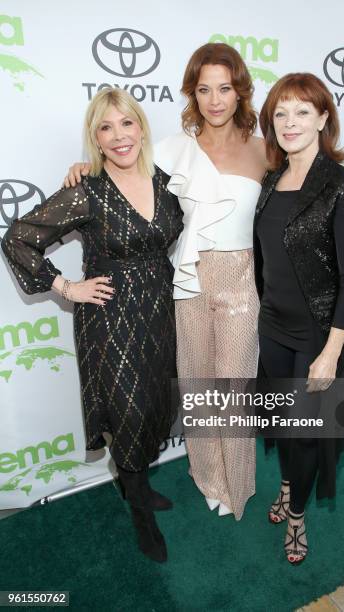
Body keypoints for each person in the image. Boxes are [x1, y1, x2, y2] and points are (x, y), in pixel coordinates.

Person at [64, 43, 268, 520]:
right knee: (198, 391)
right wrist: (82, 168)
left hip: (240, 284)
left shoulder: (264, 150)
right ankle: (208, 479)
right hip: (187, 285)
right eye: (204, 89)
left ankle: (237, 486)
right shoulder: (174, 151)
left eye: (224, 88)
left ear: (240, 91)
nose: (215, 99)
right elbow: (124, 171)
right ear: (191, 95)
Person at [2, 88, 183, 563]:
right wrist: (66, 286)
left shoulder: (165, 181)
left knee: (153, 406)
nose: (119, 136)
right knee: (125, 412)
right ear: (96, 140)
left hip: (160, 313)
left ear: (141, 128)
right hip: (109, 319)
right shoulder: (88, 190)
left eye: (127, 123)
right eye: (106, 127)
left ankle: (133, 483)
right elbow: (18, 239)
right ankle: (142, 512)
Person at [254, 73, 344, 563]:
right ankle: (284, 485)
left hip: (318, 337)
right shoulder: (270, 181)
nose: (289, 122)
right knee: (281, 423)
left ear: (324, 119)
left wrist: (330, 352)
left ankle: (297, 515)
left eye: (302, 111)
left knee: (304, 434)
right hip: (273, 327)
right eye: (280, 113)